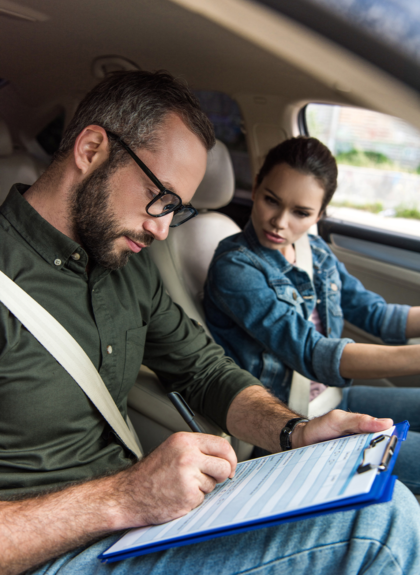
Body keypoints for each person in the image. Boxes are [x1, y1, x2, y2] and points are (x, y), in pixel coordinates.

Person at [0, 74, 419, 575]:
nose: (161, 229)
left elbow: (205, 371)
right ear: (91, 150)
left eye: (175, 210)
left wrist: (294, 432)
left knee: (372, 492)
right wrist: (123, 497)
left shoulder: (127, 268)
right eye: (159, 197)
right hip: (49, 555)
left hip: (136, 526)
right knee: (381, 524)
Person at [204, 136, 420, 494]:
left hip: (335, 401)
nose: (279, 222)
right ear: (255, 188)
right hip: (290, 422)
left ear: (319, 215)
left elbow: (374, 313)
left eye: (301, 213)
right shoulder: (235, 268)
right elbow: (312, 353)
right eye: (271, 200)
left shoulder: (315, 251)